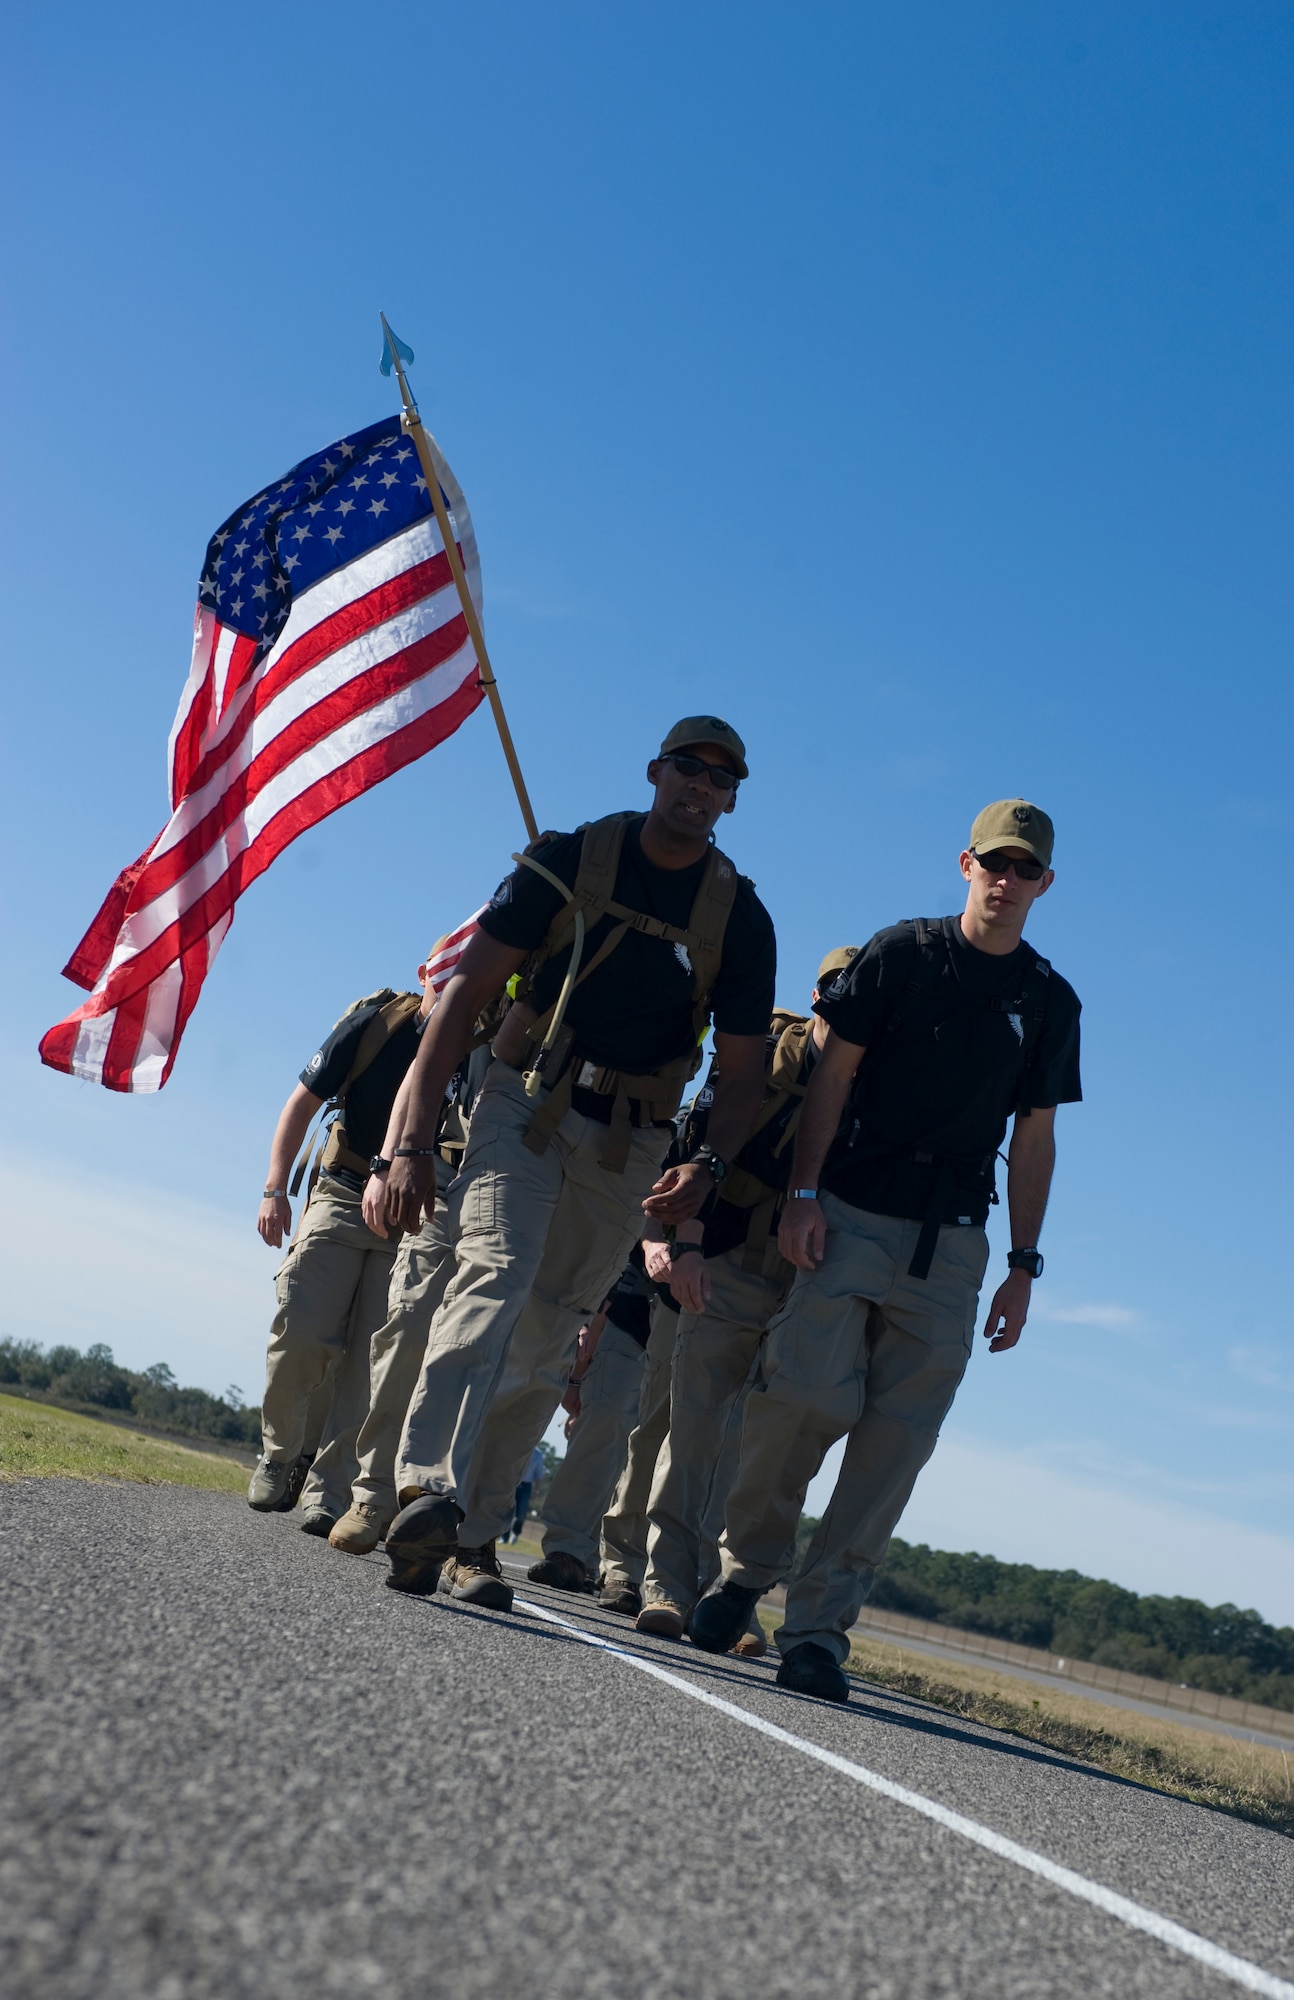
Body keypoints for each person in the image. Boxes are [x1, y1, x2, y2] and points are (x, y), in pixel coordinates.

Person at [367, 717, 778, 1605]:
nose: (698, 786)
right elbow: (466, 994)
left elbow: (742, 1074)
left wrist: (704, 1164)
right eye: (685, 768)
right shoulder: (569, 859)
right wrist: (408, 1140)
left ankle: (470, 1539)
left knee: (550, 1335)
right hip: (526, 1102)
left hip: (634, 1144)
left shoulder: (740, 918)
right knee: (497, 1275)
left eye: (718, 778)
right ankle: (423, 1489)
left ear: (732, 799)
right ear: (654, 771)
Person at [688, 800, 1081, 1704]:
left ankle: (819, 1631)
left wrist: (1024, 1264)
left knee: (895, 1446)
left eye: (1025, 869)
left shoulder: (1050, 1002)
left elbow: (1034, 1138)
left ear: (1045, 884)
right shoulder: (900, 954)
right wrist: (802, 1194)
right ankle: (745, 1573)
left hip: (953, 1245)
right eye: (994, 862)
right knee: (800, 1397)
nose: (1006, 880)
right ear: (965, 864)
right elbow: (834, 1076)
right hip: (852, 1211)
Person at [637, 952, 858, 1641]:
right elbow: (697, 1147)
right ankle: (667, 1586)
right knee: (696, 1426)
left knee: (758, 1447)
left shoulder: (875, 1080)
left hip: (808, 1270)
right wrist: (689, 1248)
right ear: (817, 997)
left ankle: (729, 1595)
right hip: (727, 1249)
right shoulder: (760, 1050)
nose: (848, 1019)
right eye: (839, 1002)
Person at [246, 956, 442, 1533]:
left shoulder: (476, 1045)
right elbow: (301, 1102)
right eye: (445, 970)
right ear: (427, 970)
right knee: (301, 1330)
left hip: (412, 1216)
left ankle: (326, 1490)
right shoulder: (378, 1023)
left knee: (370, 1365)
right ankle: (281, 1455)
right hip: (342, 1190)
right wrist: (273, 1189)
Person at [327, 1040, 488, 1556]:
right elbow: (424, 1070)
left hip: (525, 1187)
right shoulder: (488, 976)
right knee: (407, 1325)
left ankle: (464, 1528)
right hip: (443, 1172)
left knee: (489, 1352)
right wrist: (384, 1163)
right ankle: (373, 1494)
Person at [526, 1250, 658, 1590]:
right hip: (628, 1321)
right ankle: (568, 1551)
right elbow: (616, 1269)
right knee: (600, 1435)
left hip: (700, 1329)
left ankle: (624, 1572)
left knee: (657, 1458)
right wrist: (577, 1375)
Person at [505, 1444, 548, 1543]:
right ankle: (504, 1536)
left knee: (521, 1513)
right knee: (507, 1511)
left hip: (526, 1486)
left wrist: (535, 1491)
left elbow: (538, 1476)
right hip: (514, 1483)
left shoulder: (538, 1455)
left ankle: (516, 1533)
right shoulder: (519, 1450)